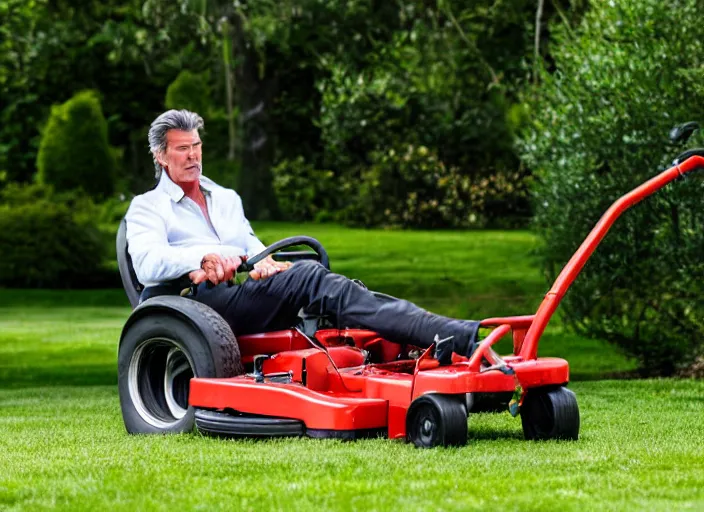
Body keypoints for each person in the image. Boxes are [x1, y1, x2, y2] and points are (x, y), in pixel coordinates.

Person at [125, 109, 479, 364]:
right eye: (182, 149)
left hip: (239, 297)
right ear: (161, 156)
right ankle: (446, 333)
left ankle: (426, 344)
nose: (193, 156)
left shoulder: (226, 198)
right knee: (309, 277)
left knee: (331, 284)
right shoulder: (148, 207)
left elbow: (253, 249)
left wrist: (266, 263)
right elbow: (146, 264)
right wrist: (201, 259)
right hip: (196, 304)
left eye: (197, 146)